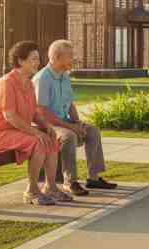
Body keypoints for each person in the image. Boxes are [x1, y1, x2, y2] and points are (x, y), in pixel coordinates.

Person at [0, 41, 71, 205]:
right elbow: (10, 116)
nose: (38, 63)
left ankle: (50, 187)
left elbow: (34, 113)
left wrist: (46, 127)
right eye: (33, 59)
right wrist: (36, 132)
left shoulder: (29, 83)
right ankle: (31, 191)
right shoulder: (7, 82)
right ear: (21, 61)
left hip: (17, 131)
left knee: (51, 139)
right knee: (38, 142)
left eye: (38, 59)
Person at [33, 39, 117, 196]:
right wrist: (71, 128)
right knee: (69, 136)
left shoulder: (64, 76)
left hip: (63, 122)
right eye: (70, 56)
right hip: (45, 124)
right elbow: (42, 112)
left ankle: (93, 177)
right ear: (57, 57)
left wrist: (78, 123)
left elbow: (70, 104)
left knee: (92, 131)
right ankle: (69, 181)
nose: (73, 59)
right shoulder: (42, 78)